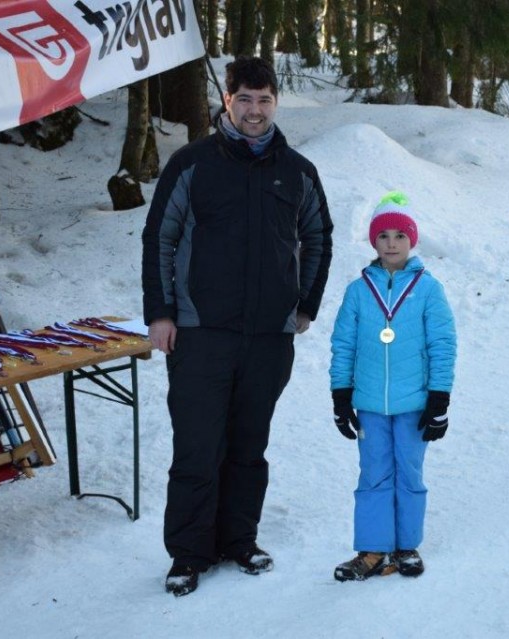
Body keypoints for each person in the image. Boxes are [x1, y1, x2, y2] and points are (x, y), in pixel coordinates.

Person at [141, 56, 333, 597]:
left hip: (269, 337)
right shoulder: (191, 164)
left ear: (276, 103)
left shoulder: (296, 170)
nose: (254, 110)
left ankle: (238, 540)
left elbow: (318, 237)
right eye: (244, 99)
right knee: (198, 446)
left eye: (264, 99)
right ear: (227, 101)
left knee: (249, 446)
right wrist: (160, 313)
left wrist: (305, 306)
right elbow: (160, 238)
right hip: (200, 331)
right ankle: (188, 552)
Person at [329, 191, 456, 581]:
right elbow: (343, 344)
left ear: (412, 240)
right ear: (374, 242)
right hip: (369, 402)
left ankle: (406, 546)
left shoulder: (428, 289)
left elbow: (442, 344)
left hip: (414, 403)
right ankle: (373, 549)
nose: (391, 243)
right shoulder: (357, 290)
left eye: (400, 236)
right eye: (383, 236)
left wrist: (439, 399)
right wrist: (341, 395)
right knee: (373, 474)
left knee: (409, 473)